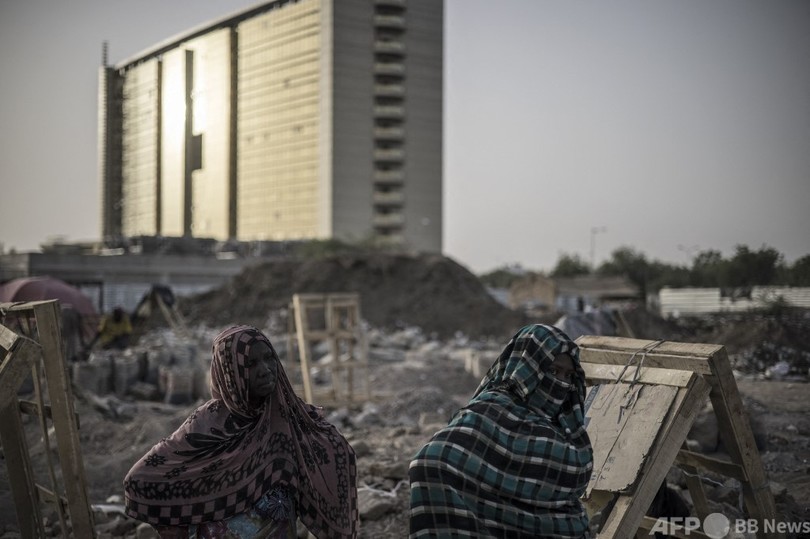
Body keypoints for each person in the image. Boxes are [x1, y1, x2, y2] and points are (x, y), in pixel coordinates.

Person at [123, 325, 358, 538]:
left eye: (269, 358)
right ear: (229, 372)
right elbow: (139, 479)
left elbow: (332, 455)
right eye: (251, 364)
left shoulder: (287, 416)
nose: (265, 370)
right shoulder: (206, 424)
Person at [409, 324, 593, 538]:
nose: (561, 382)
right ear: (528, 368)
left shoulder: (566, 426)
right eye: (552, 371)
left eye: (568, 375)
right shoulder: (491, 411)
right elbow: (429, 462)